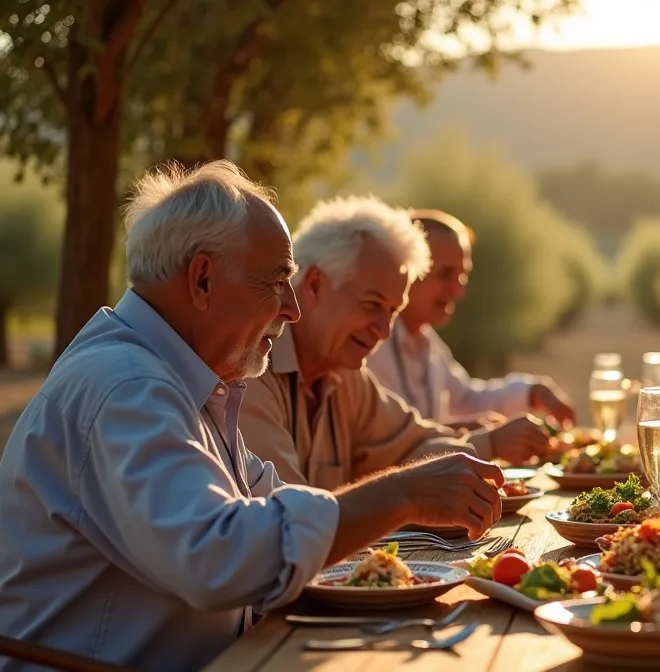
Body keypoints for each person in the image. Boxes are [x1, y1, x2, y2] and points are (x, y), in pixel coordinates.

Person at [0, 161, 505, 672]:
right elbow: (217, 558)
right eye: (277, 282)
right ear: (202, 280)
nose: (293, 309)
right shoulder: (126, 386)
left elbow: (267, 502)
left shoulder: (184, 380)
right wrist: (404, 494)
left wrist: (410, 498)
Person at [238, 196, 549, 489]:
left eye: (393, 311)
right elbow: (294, 519)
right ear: (315, 285)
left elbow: (411, 445)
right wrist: (401, 498)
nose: (384, 331)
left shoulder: (346, 376)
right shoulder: (250, 372)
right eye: (372, 305)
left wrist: (491, 444)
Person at [367, 209, 576, 429]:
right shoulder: (372, 347)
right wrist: (470, 435)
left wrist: (533, 391)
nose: (458, 291)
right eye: (446, 274)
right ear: (406, 272)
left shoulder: (425, 340)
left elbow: (465, 399)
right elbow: (387, 443)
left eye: (462, 276)